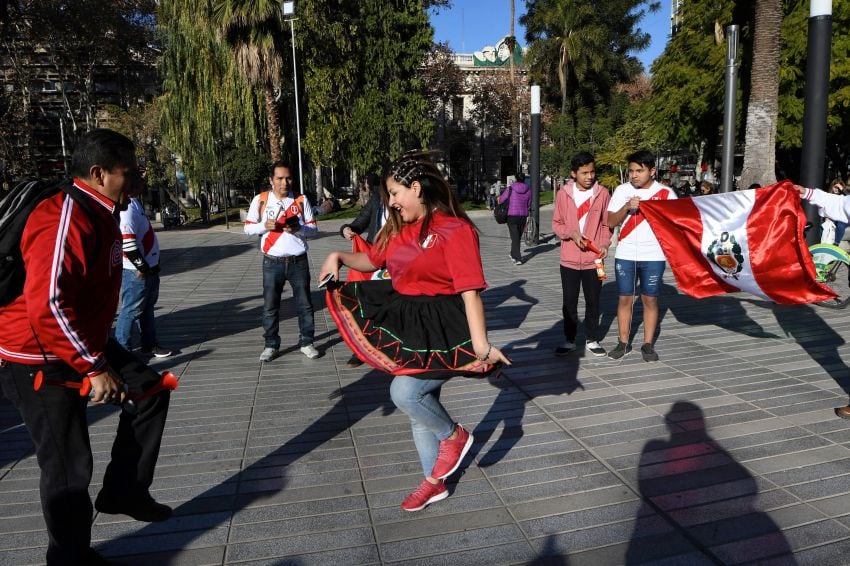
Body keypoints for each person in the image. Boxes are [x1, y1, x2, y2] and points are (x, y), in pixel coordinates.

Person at [0, 129, 172, 566]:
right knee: (67, 465)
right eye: (128, 174)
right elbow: (49, 303)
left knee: (149, 390)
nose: (136, 183)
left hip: (81, 341)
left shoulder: (102, 210)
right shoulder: (65, 216)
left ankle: (124, 490)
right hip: (37, 354)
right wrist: (94, 367)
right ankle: (69, 558)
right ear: (98, 174)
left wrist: (96, 355)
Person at [319, 152, 510, 512]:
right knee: (420, 405)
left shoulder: (456, 230)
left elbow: (470, 292)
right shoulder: (396, 229)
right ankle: (434, 482)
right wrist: (339, 256)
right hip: (406, 322)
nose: (390, 201)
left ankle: (453, 437)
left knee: (405, 392)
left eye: (394, 193)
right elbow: (373, 261)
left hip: (442, 328)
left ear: (416, 188)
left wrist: (482, 347)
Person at [244, 160, 319, 362]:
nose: (284, 182)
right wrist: (264, 226)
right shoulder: (260, 200)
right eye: (279, 178)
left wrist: (299, 229)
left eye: (288, 178)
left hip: (298, 262)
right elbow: (248, 228)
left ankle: (307, 342)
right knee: (270, 306)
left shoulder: (301, 200)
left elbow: (313, 230)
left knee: (304, 305)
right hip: (272, 262)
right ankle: (271, 345)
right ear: (271, 180)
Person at [606, 150, 677, 362]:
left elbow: (675, 224)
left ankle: (647, 344)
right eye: (631, 171)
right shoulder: (621, 190)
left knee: (649, 299)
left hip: (654, 255)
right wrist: (627, 207)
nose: (634, 175)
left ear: (652, 171)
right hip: (626, 253)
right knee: (625, 298)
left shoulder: (666, 193)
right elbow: (610, 222)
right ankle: (623, 342)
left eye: (639, 170)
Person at [551, 152, 612, 357]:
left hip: (594, 260)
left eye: (592, 172)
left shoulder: (602, 193)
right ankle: (569, 339)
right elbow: (557, 224)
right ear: (573, 173)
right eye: (584, 172)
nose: (589, 176)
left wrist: (604, 243)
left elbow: (606, 224)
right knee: (569, 301)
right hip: (568, 260)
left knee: (593, 300)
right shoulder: (563, 194)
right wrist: (571, 233)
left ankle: (592, 339)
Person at [115, 194, 172, 358]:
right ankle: (122, 353)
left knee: (146, 308)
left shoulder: (134, 203)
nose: (144, 176)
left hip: (148, 269)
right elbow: (127, 240)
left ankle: (148, 344)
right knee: (131, 311)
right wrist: (142, 266)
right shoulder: (127, 207)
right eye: (138, 174)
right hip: (137, 272)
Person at [338, 174, 387, 367]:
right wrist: (346, 229)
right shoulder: (378, 198)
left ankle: (390, 345)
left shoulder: (409, 201)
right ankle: (361, 349)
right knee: (365, 303)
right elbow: (360, 222)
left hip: (398, 260)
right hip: (373, 257)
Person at [498, 174, 531, 265]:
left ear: (516, 179)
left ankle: (517, 258)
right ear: (524, 179)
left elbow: (501, 200)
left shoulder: (510, 188)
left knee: (515, 237)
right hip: (523, 216)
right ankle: (513, 253)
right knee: (517, 237)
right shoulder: (528, 189)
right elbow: (529, 203)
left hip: (512, 216)